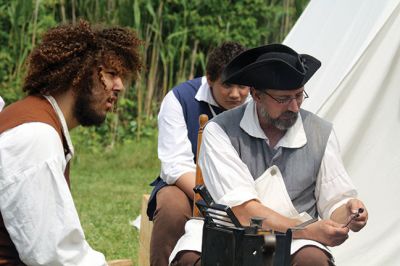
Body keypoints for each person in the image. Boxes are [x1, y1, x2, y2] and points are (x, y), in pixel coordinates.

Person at [170, 44, 368, 265]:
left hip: (293, 242)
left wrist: (349, 213)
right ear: (256, 95)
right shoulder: (220, 131)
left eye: (299, 96)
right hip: (231, 235)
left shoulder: (320, 132)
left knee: (312, 259)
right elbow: (244, 213)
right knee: (191, 259)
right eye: (283, 99)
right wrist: (307, 230)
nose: (294, 107)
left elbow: (333, 203)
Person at [0, 20, 141, 265]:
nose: (119, 86)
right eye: (111, 74)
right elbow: (56, 255)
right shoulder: (37, 136)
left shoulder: (35, 119)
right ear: (80, 74)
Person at [147, 41, 250, 266]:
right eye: (227, 85)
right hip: (189, 185)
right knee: (172, 209)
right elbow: (175, 165)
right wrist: (212, 200)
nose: (236, 94)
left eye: (243, 86)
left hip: (242, 187)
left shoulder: (256, 101)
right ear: (210, 78)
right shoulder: (179, 99)